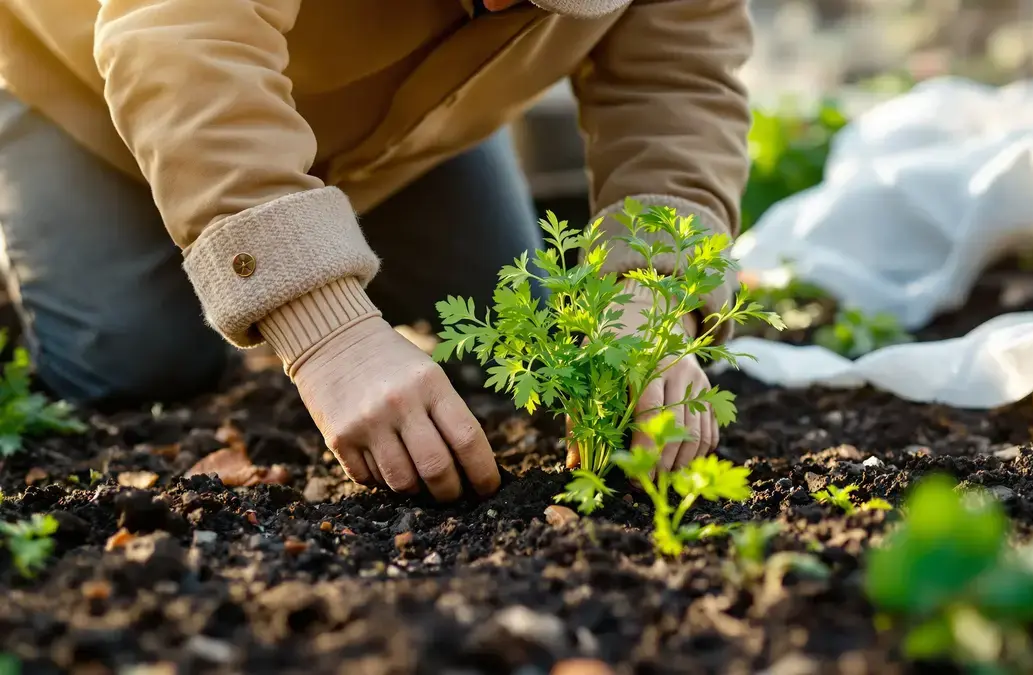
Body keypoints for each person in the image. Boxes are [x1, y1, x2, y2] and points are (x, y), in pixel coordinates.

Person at [0, 0, 751, 502]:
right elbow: (177, 38)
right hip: (81, 78)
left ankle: (275, 201)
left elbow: (678, 81)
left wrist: (652, 294)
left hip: (402, 123)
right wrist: (326, 332)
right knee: (134, 363)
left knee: (517, 328)